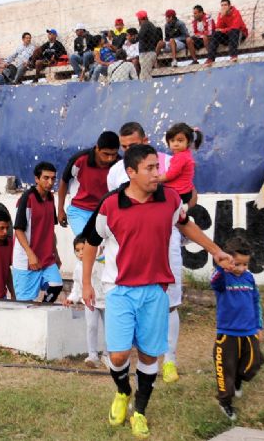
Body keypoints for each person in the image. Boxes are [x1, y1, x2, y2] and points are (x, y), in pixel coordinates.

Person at [80, 143, 234, 439]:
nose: (157, 174)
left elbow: (186, 225)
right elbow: (90, 242)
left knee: (150, 358)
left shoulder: (170, 198)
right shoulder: (111, 204)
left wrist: (215, 250)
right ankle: (123, 391)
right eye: (150, 168)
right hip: (120, 289)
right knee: (118, 355)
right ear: (131, 173)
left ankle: (140, 412)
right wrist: (86, 283)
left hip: (155, 290)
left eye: (157, 166)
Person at [106, 122, 195, 385]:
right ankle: (133, 369)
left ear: (145, 139)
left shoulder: (169, 161)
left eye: (132, 145)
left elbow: (190, 195)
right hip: (131, 253)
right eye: (124, 148)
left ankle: (170, 361)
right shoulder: (115, 172)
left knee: (170, 304)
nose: (127, 151)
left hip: (165, 245)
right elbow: (110, 208)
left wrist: (179, 209)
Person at [209, 235, 264, 421]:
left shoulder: (249, 278)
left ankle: (240, 380)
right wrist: (222, 266)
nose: (241, 269)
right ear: (228, 260)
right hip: (228, 333)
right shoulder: (222, 277)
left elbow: (256, 302)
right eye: (237, 264)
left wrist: (259, 326)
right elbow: (213, 281)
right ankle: (225, 402)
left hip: (250, 331)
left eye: (245, 264)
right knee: (226, 369)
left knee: (253, 363)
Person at [12, 162, 64, 303]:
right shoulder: (27, 199)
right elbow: (18, 230)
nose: (50, 182)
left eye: (53, 179)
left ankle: (42, 311)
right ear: (36, 179)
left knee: (56, 285)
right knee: (25, 304)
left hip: (46, 257)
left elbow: (50, 231)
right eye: (46, 178)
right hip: (25, 260)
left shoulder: (51, 198)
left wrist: (56, 254)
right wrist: (30, 255)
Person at [57, 131, 120, 237]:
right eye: (106, 154)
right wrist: (60, 210)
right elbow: (64, 181)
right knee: (84, 245)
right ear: (97, 148)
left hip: (104, 213)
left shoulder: (119, 164)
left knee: (103, 251)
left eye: (114, 154)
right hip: (78, 211)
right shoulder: (80, 160)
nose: (110, 158)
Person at [63, 235, 107, 368]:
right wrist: (71, 298)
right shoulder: (78, 268)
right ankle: (92, 355)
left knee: (109, 329)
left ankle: (107, 355)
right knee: (91, 327)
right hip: (90, 302)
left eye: (83, 249)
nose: (81, 253)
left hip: (107, 301)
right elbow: (77, 287)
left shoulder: (102, 260)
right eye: (77, 250)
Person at [159, 123, 203, 208]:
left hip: (179, 193)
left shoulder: (181, 157)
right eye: (172, 141)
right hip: (185, 191)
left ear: (188, 142)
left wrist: (157, 178)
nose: (175, 144)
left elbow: (171, 174)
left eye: (180, 140)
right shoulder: (186, 154)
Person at [206, 0, 248, 65]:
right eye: (222, 5)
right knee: (215, 34)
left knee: (233, 31)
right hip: (228, 36)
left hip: (240, 34)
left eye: (225, 5)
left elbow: (235, 27)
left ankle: (233, 55)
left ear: (229, 6)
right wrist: (222, 17)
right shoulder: (221, 14)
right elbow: (217, 29)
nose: (223, 7)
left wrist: (223, 30)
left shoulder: (236, 12)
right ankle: (210, 58)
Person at [135, 10, 159, 80]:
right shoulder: (150, 24)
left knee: (145, 75)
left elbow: (140, 36)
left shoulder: (145, 24)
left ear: (139, 19)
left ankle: (147, 89)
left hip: (146, 52)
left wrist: (136, 37)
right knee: (145, 74)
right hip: (151, 51)